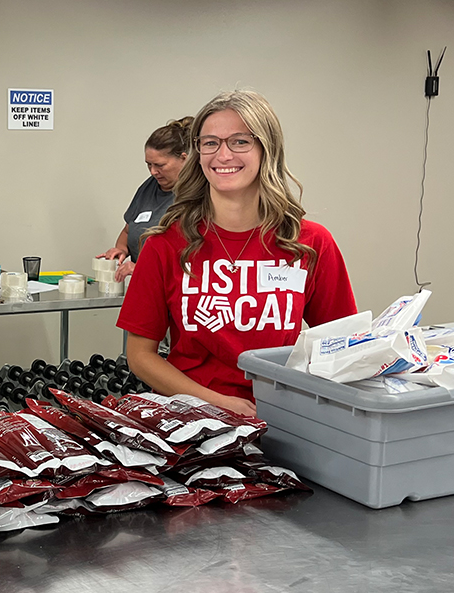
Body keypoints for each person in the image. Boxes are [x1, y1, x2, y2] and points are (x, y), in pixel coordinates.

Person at [117, 91, 356, 418]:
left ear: (266, 149)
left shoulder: (310, 243)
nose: (223, 154)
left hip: (281, 419)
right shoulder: (165, 244)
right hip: (193, 421)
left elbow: (342, 343)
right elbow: (140, 356)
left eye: (240, 141)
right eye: (210, 142)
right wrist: (216, 402)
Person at [98, 117, 192, 282]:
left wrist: (143, 268)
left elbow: (190, 255)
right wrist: (121, 250)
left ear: (184, 159)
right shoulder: (149, 187)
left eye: (160, 165)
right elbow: (128, 231)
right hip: (145, 288)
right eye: (149, 165)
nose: (153, 172)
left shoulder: (197, 194)